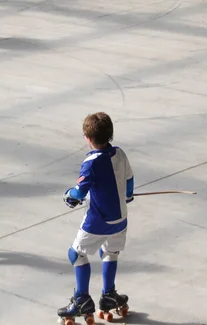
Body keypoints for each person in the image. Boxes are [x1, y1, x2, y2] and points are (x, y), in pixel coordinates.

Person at [57, 112, 134, 323]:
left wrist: (69, 196)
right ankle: (108, 295)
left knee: (76, 254)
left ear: (88, 138)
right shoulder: (120, 154)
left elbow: (79, 193)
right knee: (110, 252)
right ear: (110, 135)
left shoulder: (90, 163)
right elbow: (129, 180)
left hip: (98, 221)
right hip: (120, 220)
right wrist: (127, 196)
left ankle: (82, 299)